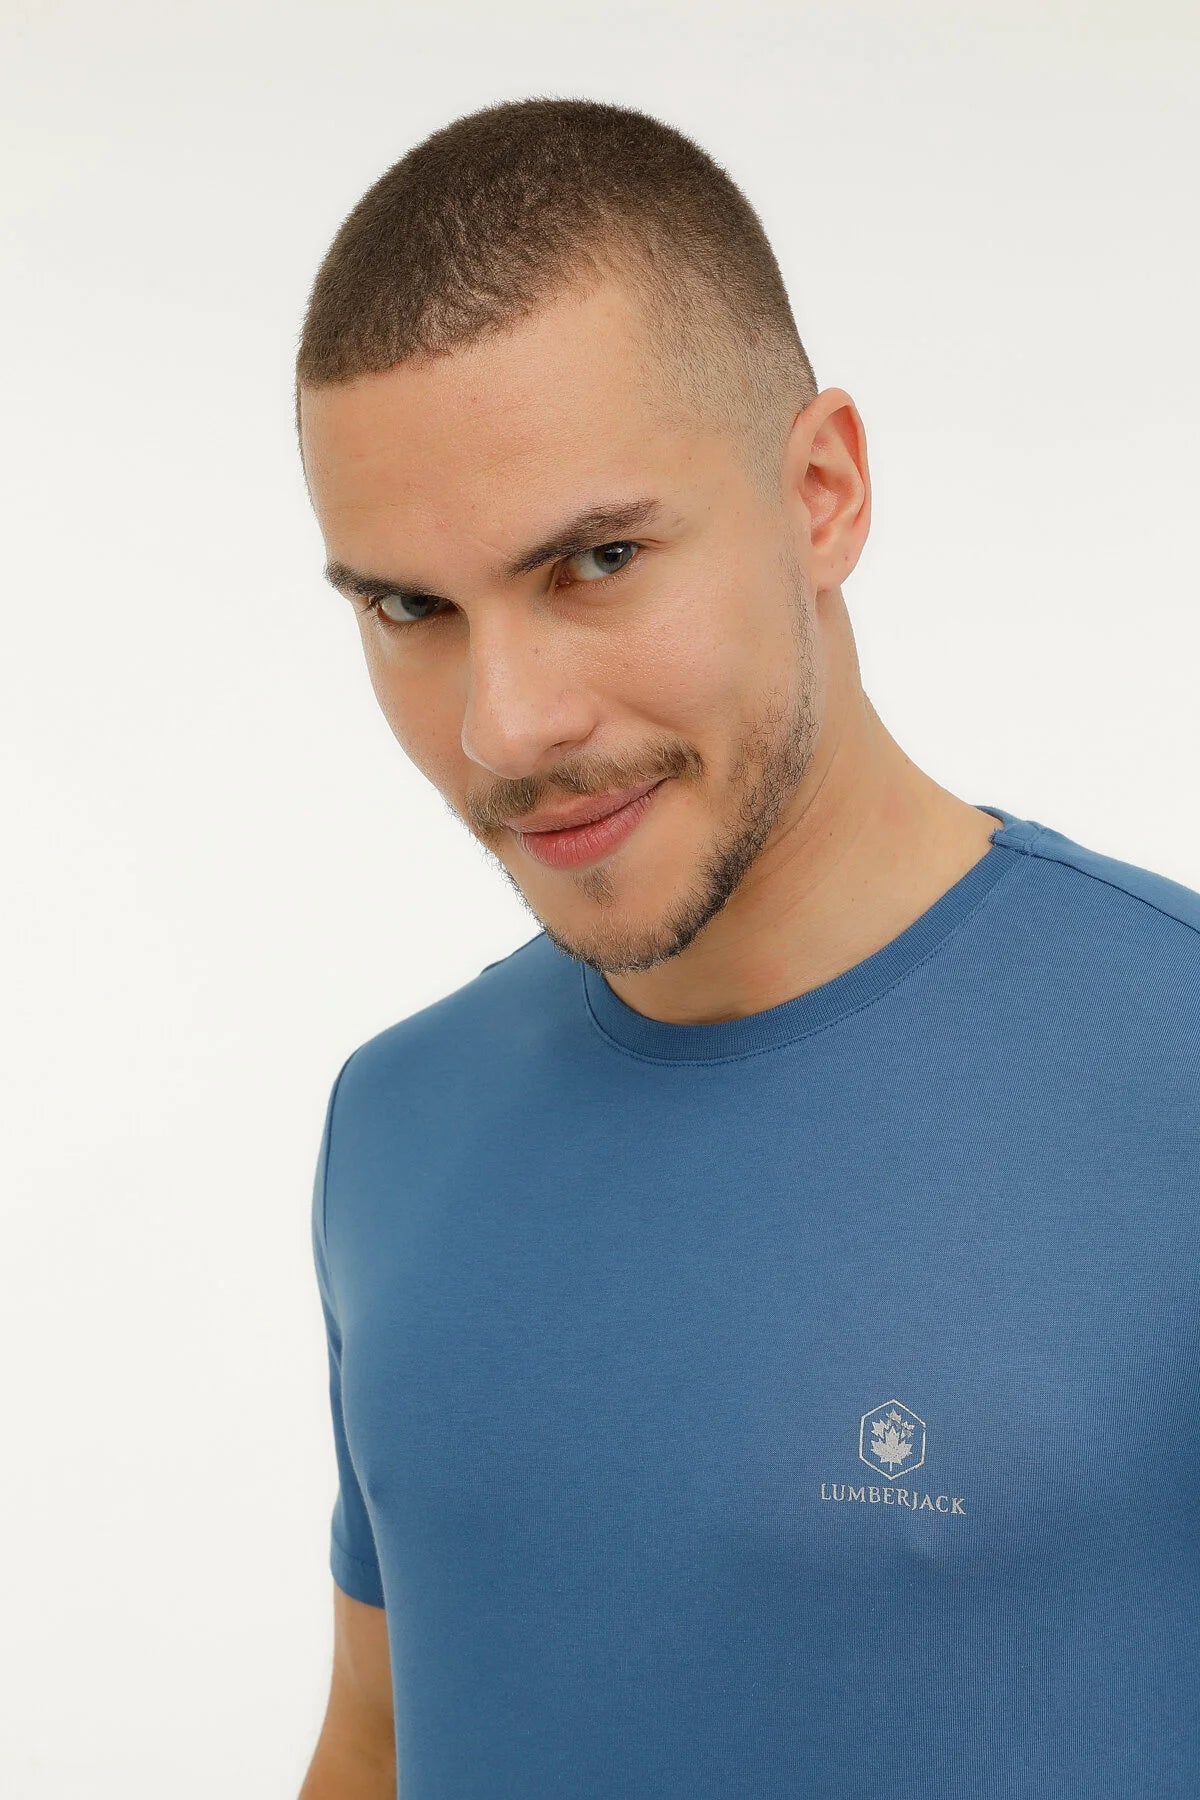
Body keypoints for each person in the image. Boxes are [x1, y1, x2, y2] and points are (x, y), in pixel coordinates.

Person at [293, 96, 1200, 1800]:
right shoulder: (393, 1120)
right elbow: (380, 1742)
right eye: (411, 608)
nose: (506, 726)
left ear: (823, 493)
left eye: (597, 561)